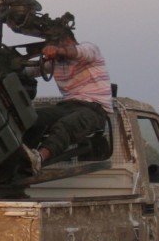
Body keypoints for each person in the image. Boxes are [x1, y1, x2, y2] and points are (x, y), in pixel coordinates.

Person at [21, 34, 112, 174]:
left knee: (66, 125)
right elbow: (29, 71)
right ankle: (19, 158)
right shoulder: (55, 62)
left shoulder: (90, 50)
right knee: (30, 117)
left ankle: (39, 158)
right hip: (67, 106)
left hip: (95, 108)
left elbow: (77, 52)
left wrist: (57, 51)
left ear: (69, 41)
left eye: (59, 46)